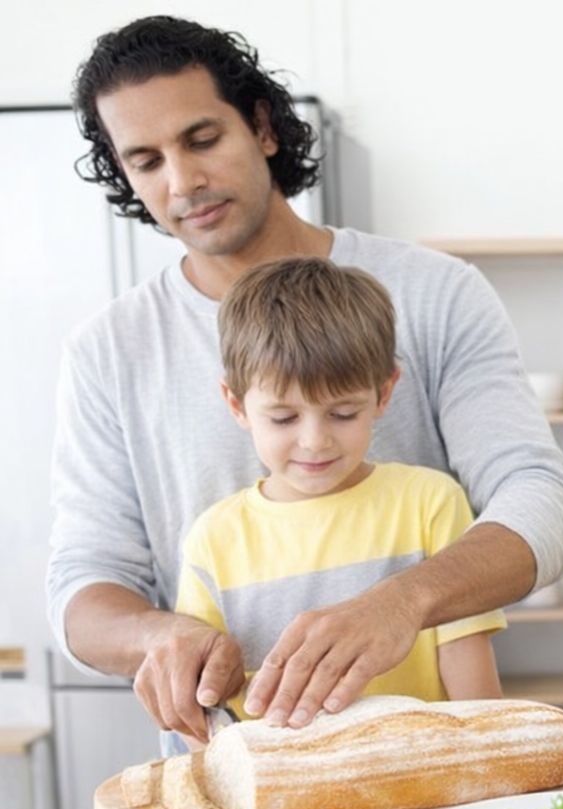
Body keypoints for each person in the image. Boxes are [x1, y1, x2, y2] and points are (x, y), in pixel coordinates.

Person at [49, 16, 563, 742]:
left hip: (417, 762)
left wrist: (404, 602)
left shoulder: (435, 293)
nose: (182, 182)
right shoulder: (107, 351)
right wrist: (157, 635)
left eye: (202, 140)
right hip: (239, 767)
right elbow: (83, 585)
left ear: (263, 127)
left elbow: (548, 508)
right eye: (146, 161)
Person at [166, 257, 505, 749]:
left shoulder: (430, 503)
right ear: (237, 405)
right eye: (283, 418)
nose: (315, 441)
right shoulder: (213, 539)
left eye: (343, 413)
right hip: (281, 784)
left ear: (384, 393)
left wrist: (493, 760)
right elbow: (206, 708)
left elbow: (474, 691)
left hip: (420, 771)